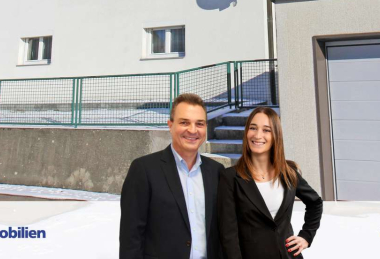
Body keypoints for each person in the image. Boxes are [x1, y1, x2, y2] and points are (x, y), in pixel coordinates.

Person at [119, 93, 224, 259]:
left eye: (199, 123)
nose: (192, 130)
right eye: (184, 122)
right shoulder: (144, 170)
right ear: (170, 125)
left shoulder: (217, 172)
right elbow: (131, 238)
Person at [217, 107, 322, 258]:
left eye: (266, 130)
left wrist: (306, 236)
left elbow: (315, 203)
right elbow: (228, 235)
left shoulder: (289, 172)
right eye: (253, 128)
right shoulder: (230, 177)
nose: (258, 135)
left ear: (276, 136)